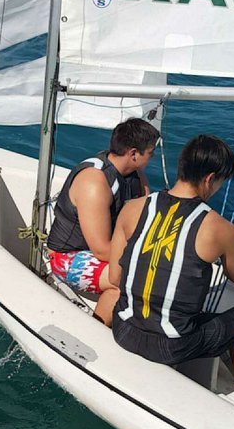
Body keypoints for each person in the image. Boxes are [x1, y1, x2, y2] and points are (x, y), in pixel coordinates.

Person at [109, 133, 234, 407]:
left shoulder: (132, 208)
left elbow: (114, 278)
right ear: (210, 179)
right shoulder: (221, 228)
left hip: (123, 329)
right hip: (169, 346)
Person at [47, 117, 160, 325]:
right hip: (68, 256)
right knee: (125, 281)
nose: (152, 159)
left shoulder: (137, 175)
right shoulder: (94, 182)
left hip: (112, 247)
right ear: (133, 154)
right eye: (150, 153)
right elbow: (101, 250)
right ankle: (97, 329)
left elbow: (144, 218)